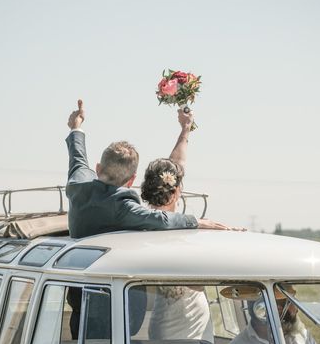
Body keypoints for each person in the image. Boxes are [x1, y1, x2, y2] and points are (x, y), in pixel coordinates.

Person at [65, 99, 231, 239]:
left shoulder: (77, 182)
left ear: (98, 168)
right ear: (131, 180)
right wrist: (198, 222)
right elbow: (161, 220)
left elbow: (77, 155)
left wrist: (76, 125)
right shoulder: (123, 208)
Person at [141, 108, 214, 342]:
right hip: (178, 323)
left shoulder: (146, 222)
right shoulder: (167, 229)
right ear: (175, 193)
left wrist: (185, 130)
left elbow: (176, 164)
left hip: (181, 319)